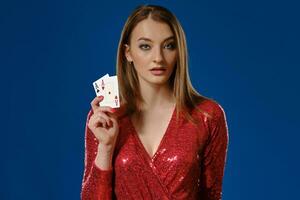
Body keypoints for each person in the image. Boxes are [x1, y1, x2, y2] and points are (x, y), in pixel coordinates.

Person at [81, 4, 229, 200]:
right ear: (128, 53)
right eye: (145, 46)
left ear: (179, 51)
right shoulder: (106, 117)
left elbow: (211, 195)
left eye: (168, 46)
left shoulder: (207, 116)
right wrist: (106, 148)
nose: (158, 58)